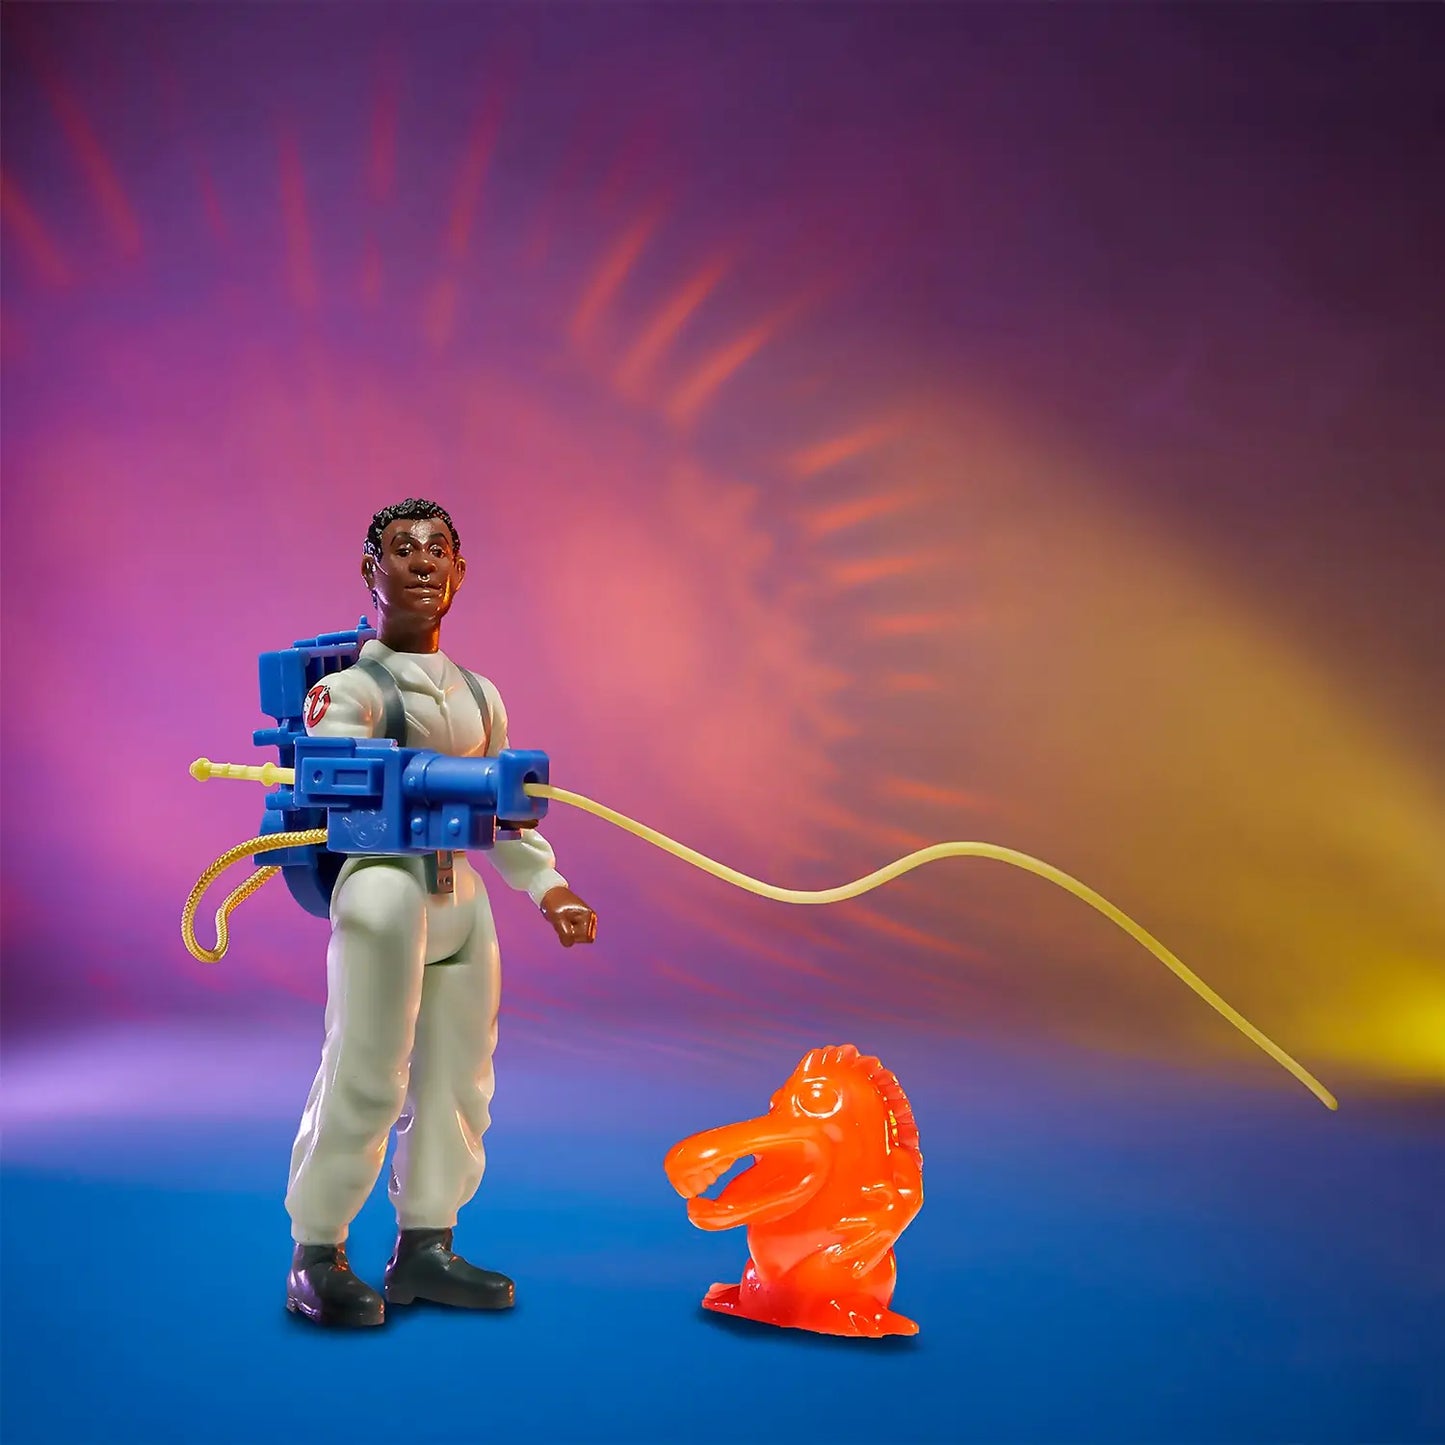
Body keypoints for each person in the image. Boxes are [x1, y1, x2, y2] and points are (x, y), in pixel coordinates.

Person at [284, 498, 597, 1327]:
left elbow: (509, 814)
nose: (422, 562)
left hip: (457, 893)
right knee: (366, 1071)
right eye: (402, 548)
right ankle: (318, 1249)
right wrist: (429, 779)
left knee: (459, 1076)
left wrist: (548, 886)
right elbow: (336, 780)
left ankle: (427, 1241)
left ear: (459, 570)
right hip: (383, 889)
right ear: (371, 569)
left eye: (437, 549)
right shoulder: (347, 692)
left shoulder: (480, 696)